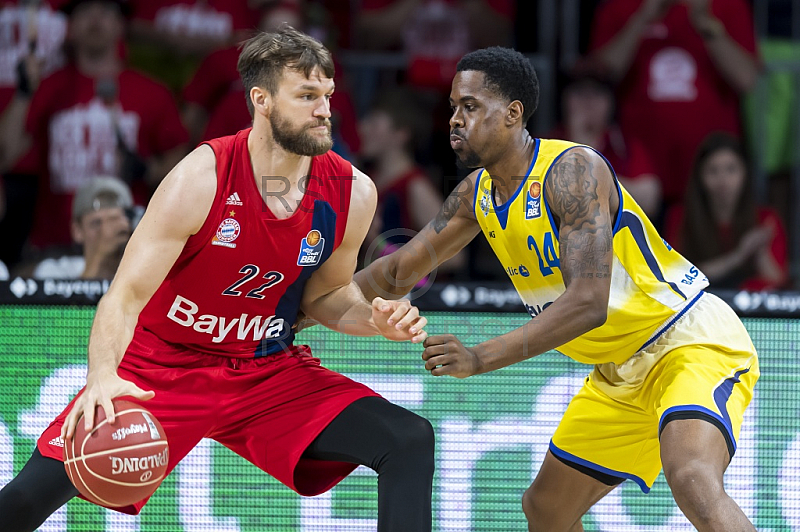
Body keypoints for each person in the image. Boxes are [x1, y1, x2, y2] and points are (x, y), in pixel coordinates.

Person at [0, 26, 434, 532]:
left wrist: (373, 319)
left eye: (329, 96)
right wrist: (101, 375)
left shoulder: (352, 191)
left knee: (407, 438)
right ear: (262, 101)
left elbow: (325, 298)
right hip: (162, 369)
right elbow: (124, 297)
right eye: (307, 96)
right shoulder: (201, 177)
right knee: (23, 504)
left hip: (266, 372)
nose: (324, 110)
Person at [356, 47, 758, 531]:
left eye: (470, 106)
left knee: (691, 477)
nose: (455, 120)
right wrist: (300, 307)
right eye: (452, 108)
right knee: (546, 509)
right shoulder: (476, 194)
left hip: (685, 343)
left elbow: (588, 303)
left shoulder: (570, 172)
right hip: (617, 373)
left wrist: (481, 357)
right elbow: (398, 270)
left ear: (512, 113)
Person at [1, 0, 189, 249]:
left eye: (106, 10)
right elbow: (5, 154)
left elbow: (182, 163)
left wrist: (147, 170)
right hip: (55, 243)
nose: (95, 19)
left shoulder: (153, 92)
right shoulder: (47, 87)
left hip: (129, 245)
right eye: (85, 11)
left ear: (121, 25)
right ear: (70, 27)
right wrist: (24, 93)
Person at [589, 0, 759, 209]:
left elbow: (746, 78)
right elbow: (601, 75)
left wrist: (707, 25)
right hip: (641, 172)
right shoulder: (619, 7)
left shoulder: (728, 6)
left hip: (710, 170)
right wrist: (642, 18)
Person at [665, 133, 788, 291]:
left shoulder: (766, 218)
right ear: (699, 177)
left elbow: (778, 284)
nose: (723, 180)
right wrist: (738, 256)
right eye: (713, 171)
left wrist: (760, 250)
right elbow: (676, 279)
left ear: (745, 173)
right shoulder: (679, 217)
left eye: (731, 169)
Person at [553, 67, 661, 218]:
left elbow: (649, 201)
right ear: (563, 100)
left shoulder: (626, 146)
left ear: (611, 103)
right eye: (579, 93)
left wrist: (585, 155)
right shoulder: (545, 142)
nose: (588, 102)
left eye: (597, 93)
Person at [32, 176, 134, 279]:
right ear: (77, 231)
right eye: (96, 223)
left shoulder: (141, 271)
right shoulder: (55, 271)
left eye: (115, 221)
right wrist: (101, 256)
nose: (106, 232)